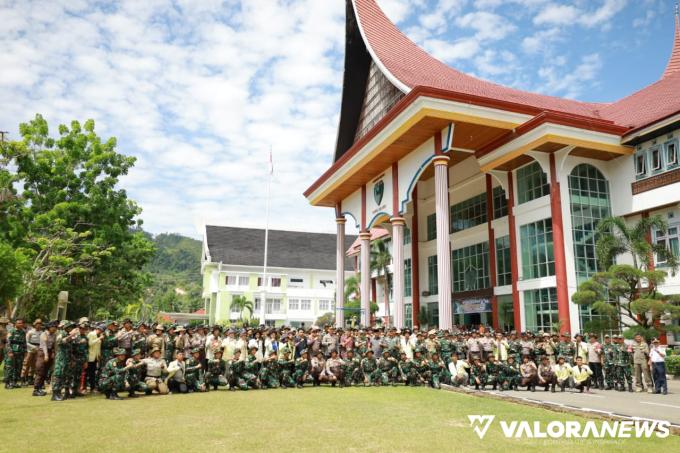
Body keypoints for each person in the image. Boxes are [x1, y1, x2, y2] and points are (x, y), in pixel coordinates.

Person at [33, 321, 57, 396]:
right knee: (40, 370)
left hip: (49, 352)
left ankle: (40, 387)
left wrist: (52, 353)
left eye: (55, 327)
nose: (54, 329)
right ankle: (36, 389)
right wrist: (46, 355)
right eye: (53, 327)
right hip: (43, 352)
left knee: (45, 371)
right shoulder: (44, 334)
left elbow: (53, 345)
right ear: (49, 327)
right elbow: (44, 345)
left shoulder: (54, 335)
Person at [4, 318, 27, 389]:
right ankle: (7, 383)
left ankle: (14, 382)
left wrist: (25, 351)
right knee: (10, 367)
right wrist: (10, 351)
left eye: (21, 323)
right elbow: (8, 342)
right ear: (15, 324)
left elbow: (24, 343)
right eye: (19, 323)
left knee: (18, 368)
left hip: (20, 353)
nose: (20, 324)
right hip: (12, 352)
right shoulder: (11, 331)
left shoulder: (23, 332)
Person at [21, 318, 43, 385]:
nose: (39, 326)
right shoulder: (30, 332)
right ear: (35, 324)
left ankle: (30, 379)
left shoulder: (42, 333)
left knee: (34, 365)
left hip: (38, 350)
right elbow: (26, 342)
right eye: (37, 324)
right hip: (30, 350)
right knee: (26, 364)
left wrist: (39, 348)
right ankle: (23, 379)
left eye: (40, 324)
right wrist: (34, 347)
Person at [86, 323, 103, 392]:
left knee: (92, 372)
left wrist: (99, 355)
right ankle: (85, 387)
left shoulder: (99, 335)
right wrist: (99, 338)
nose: (101, 331)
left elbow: (98, 347)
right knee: (88, 372)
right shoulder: (91, 334)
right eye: (100, 329)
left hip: (95, 357)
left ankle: (92, 387)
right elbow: (90, 343)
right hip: (90, 356)